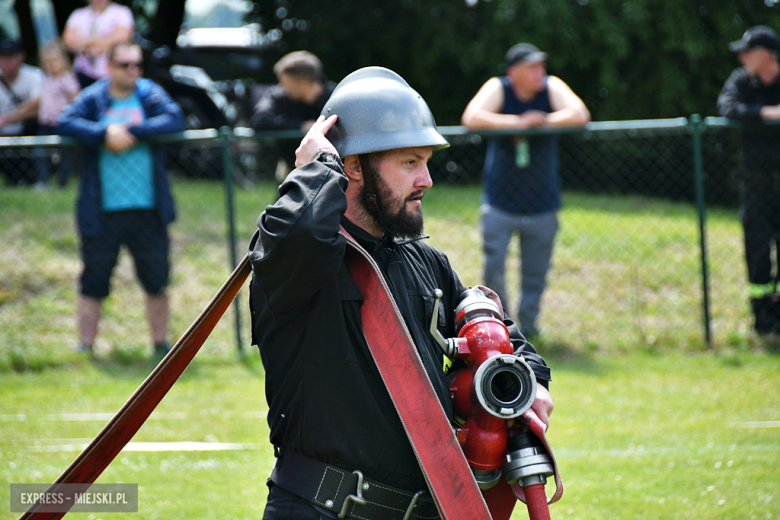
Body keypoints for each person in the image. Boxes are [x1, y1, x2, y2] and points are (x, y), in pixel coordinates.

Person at [248, 67, 554, 519]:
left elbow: (492, 326)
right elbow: (303, 231)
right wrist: (317, 170)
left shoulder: (424, 262)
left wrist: (531, 378)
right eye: (410, 162)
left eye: (426, 161)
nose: (426, 179)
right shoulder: (294, 257)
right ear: (353, 166)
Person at [57, 42, 185, 355]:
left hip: (148, 210)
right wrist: (103, 134)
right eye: (125, 65)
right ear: (109, 67)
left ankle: (160, 346)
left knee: (156, 281)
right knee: (93, 281)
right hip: (101, 211)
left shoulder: (149, 94)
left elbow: (175, 120)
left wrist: (129, 131)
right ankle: (85, 348)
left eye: (137, 65)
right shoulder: (94, 97)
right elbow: (65, 121)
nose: (132, 71)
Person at [461, 43, 590, 338]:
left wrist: (539, 121)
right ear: (513, 73)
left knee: (535, 275)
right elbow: (471, 117)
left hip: (543, 204)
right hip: (499, 203)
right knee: (494, 270)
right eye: (532, 67)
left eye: (541, 66)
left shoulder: (552, 86)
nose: (540, 73)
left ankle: (529, 330)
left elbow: (580, 114)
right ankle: (501, 328)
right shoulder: (499, 87)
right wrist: (517, 123)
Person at [717, 25, 780, 336]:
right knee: (756, 253)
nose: (741, 57)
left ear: (763, 55)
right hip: (755, 184)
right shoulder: (741, 81)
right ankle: (763, 320)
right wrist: (768, 113)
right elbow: (727, 108)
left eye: (746, 51)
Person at [250, 50, 336, 181]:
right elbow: (259, 120)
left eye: (285, 83)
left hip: (333, 172)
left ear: (304, 85)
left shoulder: (336, 98)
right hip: (292, 172)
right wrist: (300, 126)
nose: (282, 87)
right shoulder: (279, 97)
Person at [35, 38, 81, 189]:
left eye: (54, 61)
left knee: (64, 154)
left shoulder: (67, 79)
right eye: (47, 62)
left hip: (61, 123)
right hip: (45, 122)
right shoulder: (46, 79)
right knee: (41, 152)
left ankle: (63, 182)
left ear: (63, 61)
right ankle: (42, 180)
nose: (51, 65)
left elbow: (76, 98)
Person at [62, 0, 135, 89]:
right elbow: (68, 41)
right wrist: (102, 40)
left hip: (110, 74)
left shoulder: (121, 12)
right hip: (82, 73)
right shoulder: (78, 14)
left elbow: (122, 39)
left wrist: (83, 43)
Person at [0, 38, 43, 186]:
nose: (6, 61)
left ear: (21, 57)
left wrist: (7, 119)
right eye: (2, 56)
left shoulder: (35, 75)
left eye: (11, 56)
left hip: (26, 129)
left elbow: (39, 104)